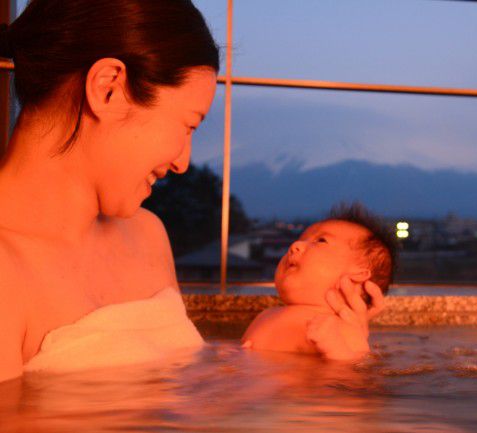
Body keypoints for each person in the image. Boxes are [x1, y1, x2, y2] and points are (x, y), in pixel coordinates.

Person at [0, 0, 382, 382]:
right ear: (109, 89)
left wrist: (340, 352)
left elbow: (185, 389)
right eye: (188, 126)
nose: (183, 162)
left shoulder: (146, 235)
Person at [242, 203, 396, 360]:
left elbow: (354, 378)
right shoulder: (265, 315)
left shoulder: (340, 329)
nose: (296, 245)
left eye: (321, 241)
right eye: (301, 239)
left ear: (357, 275)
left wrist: (336, 349)